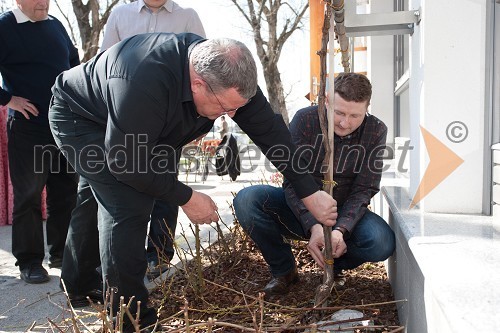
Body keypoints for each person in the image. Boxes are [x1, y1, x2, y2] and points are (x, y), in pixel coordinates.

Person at [48, 33, 337, 331]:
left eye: (236, 108)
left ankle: (79, 283)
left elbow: (270, 132)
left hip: (143, 126)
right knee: (125, 205)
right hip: (82, 118)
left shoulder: (228, 74)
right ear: (198, 83)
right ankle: (132, 321)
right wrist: (186, 197)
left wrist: (309, 192)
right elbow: (127, 164)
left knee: (97, 196)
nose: (232, 116)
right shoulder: (142, 78)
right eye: (225, 108)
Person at [60, 0, 207, 294]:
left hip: (165, 126)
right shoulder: (120, 14)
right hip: (112, 119)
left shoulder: (188, 17)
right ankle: (81, 281)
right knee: (100, 198)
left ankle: (158, 258)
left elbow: (208, 66)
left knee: (164, 192)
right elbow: (105, 59)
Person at [233, 73, 396, 298]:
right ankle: (284, 271)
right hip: (299, 209)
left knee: (381, 241)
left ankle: (333, 266)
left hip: (345, 211)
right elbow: (292, 180)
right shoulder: (305, 120)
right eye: (339, 112)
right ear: (326, 101)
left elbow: (364, 189)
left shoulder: (376, 130)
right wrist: (313, 225)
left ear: (367, 108)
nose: (344, 122)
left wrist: (339, 230)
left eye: (355, 116)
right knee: (247, 200)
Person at [0, 0, 79, 284]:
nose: (43, 2)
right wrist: (8, 99)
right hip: (28, 127)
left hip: (62, 124)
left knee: (65, 191)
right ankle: (30, 262)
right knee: (29, 196)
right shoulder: (4, 27)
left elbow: (73, 62)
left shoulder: (55, 25)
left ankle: (62, 253)